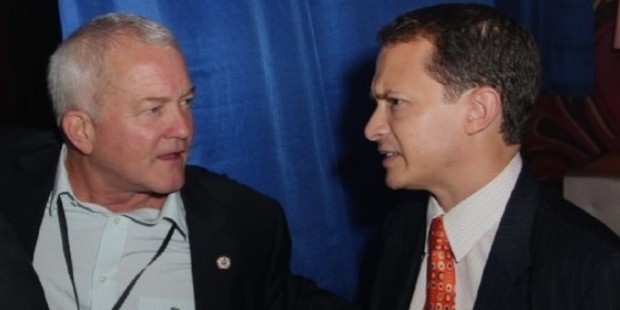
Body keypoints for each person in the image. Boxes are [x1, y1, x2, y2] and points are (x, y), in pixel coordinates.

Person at [0, 13, 355, 310]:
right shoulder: (9, 180)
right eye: (153, 110)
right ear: (81, 130)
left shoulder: (249, 221)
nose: (183, 128)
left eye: (185, 102)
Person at [364, 3, 620, 310]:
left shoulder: (590, 267)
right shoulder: (402, 229)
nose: (371, 129)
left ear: (478, 111)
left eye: (395, 102)